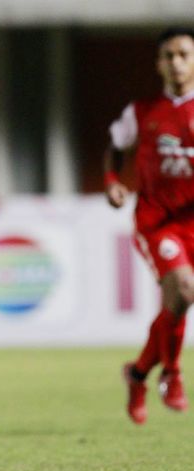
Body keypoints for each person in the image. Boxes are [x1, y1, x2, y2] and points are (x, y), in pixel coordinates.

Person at [106, 27, 194, 425]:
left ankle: (138, 373)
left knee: (175, 304)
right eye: (169, 55)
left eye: (183, 54)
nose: (176, 62)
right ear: (159, 63)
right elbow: (115, 147)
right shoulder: (142, 111)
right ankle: (172, 375)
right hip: (157, 221)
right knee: (184, 290)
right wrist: (112, 183)